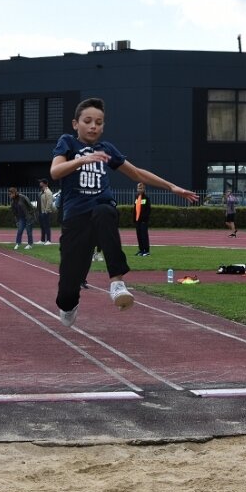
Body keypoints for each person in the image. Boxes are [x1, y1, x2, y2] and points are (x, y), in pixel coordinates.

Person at [50, 97, 197, 327]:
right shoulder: (68, 143)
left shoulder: (107, 149)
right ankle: (69, 303)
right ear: (75, 123)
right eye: (87, 121)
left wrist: (171, 186)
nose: (93, 126)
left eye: (99, 122)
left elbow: (137, 173)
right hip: (75, 221)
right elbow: (55, 171)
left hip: (100, 212)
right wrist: (83, 160)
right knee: (68, 287)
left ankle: (117, 282)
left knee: (105, 211)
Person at [133, 182, 151, 256]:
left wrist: (144, 219)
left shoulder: (146, 198)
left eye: (141, 188)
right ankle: (141, 250)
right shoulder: (136, 197)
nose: (139, 189)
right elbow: (135, 209)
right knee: (139, 235)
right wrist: (134, 219)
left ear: (144, 189)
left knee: (144, 236)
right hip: (137, 221)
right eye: (138, 188)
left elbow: (148, 210)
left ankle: (146, 251)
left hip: (143, 221)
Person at [37, 179, 54, 244]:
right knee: (42, 226)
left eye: (41, 182)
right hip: (41, 212)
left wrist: (46, 211)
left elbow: (49, 202)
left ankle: (49, 240)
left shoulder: (48, 192)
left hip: (45, 212)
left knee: (47, 226)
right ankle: (42, 240)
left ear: (45, 184)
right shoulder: (42, 192)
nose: (40, 183)